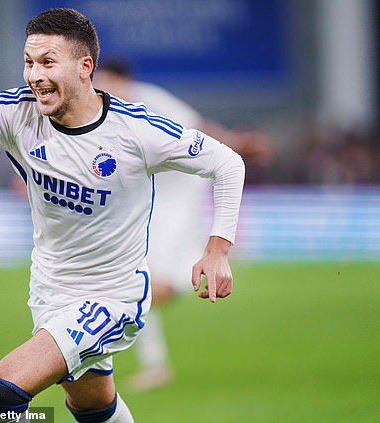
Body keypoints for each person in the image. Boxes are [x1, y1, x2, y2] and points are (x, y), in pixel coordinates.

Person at [0, 7, 245, 423]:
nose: (34, 74)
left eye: (48, 62)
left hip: (113, 297)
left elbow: (228, 163)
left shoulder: (137, 131)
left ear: (85, 67)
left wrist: (217, 249)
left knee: (4, 389)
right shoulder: (17, 113)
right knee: (92, 405)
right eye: (29, 62)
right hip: (49, 293)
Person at [94, 59, 271, 391]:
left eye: (107, 82)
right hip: (153, 197)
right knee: (137, 282)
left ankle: (182, 278)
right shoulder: (105, 110)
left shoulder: (150, 100)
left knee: (144, 285)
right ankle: (154, 360)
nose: (104, 90)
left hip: (179, 194)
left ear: (123, 80)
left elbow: (196, 128)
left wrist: (235, 141)